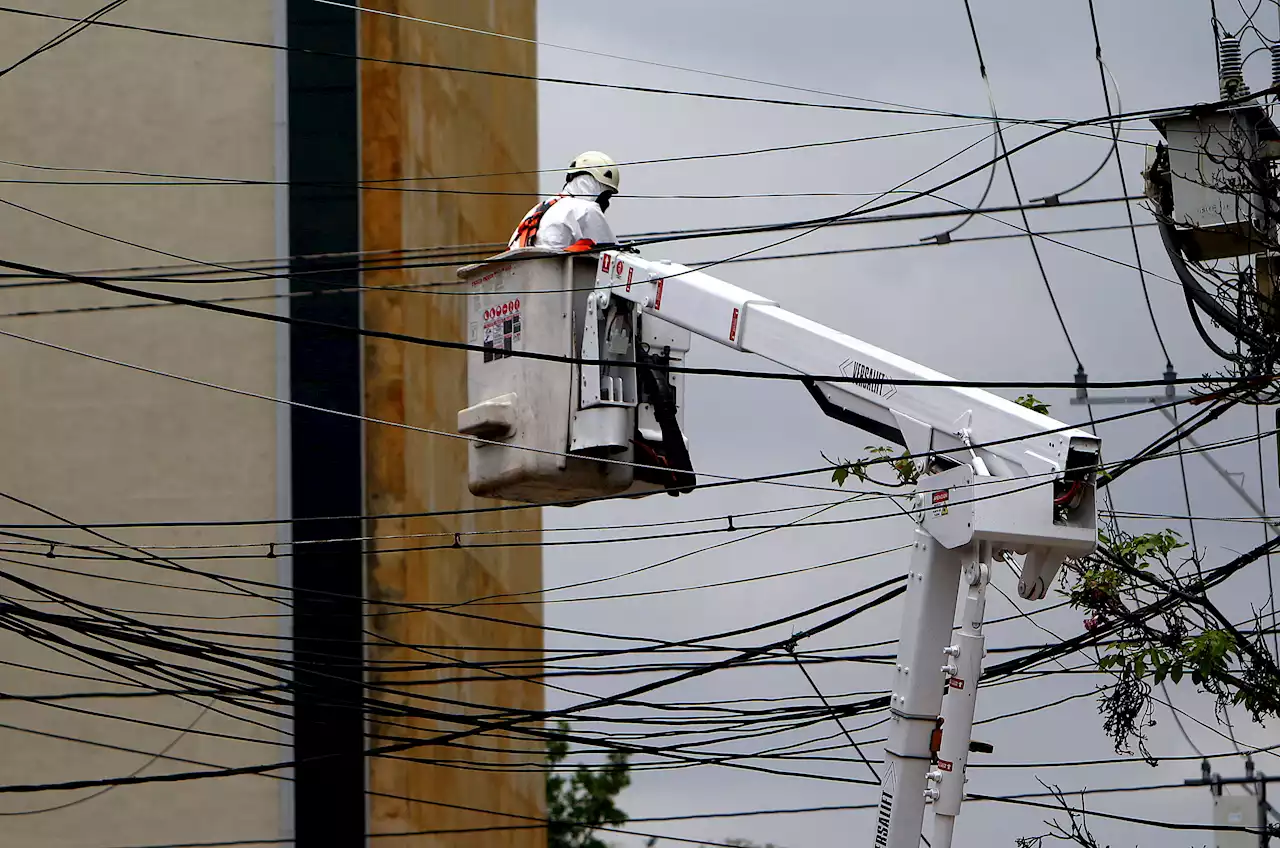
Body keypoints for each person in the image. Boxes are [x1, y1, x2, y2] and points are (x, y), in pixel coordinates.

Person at [509, 151, 620, 253]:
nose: (606, 203)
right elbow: (612, 253)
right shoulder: (587, 209)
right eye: (606, 196)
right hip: (554, 270)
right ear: (594, 184)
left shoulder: (538, 209)